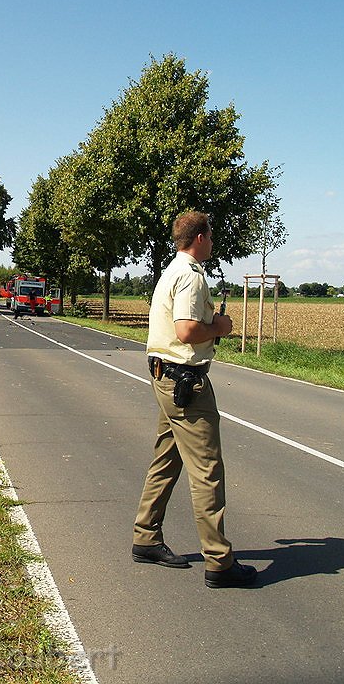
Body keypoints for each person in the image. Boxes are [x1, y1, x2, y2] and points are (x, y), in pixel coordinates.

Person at [132, 211, 256, 589]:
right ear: (200, 237)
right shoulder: (189, 275)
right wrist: (220, 326)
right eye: (212, 233)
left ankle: (146, 537)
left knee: (166, 460)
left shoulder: (171, 270)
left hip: (165, 378)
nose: (214, 240)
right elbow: (186, 330)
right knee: (207, 470)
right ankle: (219, 560)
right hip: (186, 383)